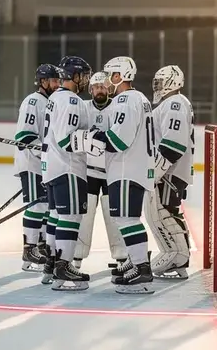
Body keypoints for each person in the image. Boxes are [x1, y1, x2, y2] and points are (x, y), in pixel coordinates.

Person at [71, 56, 156, 294]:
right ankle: (137, 265)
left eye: (109, 75)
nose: (106, 80)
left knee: (127, 220)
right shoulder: (139, 98)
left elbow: (118, 140)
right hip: (132, 168)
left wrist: (90, 138)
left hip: (127, 169)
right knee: (125, 219)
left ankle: (142, 270)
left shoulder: (125, 100)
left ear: (119, 76)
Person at [40, 55, 95, 290]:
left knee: (56, 216)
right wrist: (93, 140)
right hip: (69, 167)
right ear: (73, 76)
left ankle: (51, 265)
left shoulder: (54, 98)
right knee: (70, 217)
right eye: (83, 75)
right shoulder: (72, 101)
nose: (85, 80)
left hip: (52, 167)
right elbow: (66, 140)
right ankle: (64, 267)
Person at [73, 72, 127, 270]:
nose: (100, 90)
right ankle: (77, 256)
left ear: (109, 88)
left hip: (112, 170)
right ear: (91, 89)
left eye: (103, 86)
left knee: (114, 215)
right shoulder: (83, 108)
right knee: (84, 214)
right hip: (89, 171)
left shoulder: (118, 107)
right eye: (96, 87)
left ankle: (121, 256)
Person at [146, 65, 195, 280]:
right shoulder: (174, 103)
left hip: (170, 171)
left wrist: (158, 170)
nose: (157, 87)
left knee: (165, 211)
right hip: (172, 170)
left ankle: (177, 256)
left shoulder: (174, 103)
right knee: (166, 210)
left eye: (160, 82)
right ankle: (177, 255)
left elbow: (173, 144)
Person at [13, 63, 60, 272]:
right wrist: (44, 152)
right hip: (31, 163)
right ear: (43, 81)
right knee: (37, 206)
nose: (57, 84)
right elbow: (25, 136)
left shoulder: (51, 102)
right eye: (54, 80)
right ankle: (29, 248)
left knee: (47, 207)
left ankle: (40, 247)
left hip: (45, 164)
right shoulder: (33, 101)